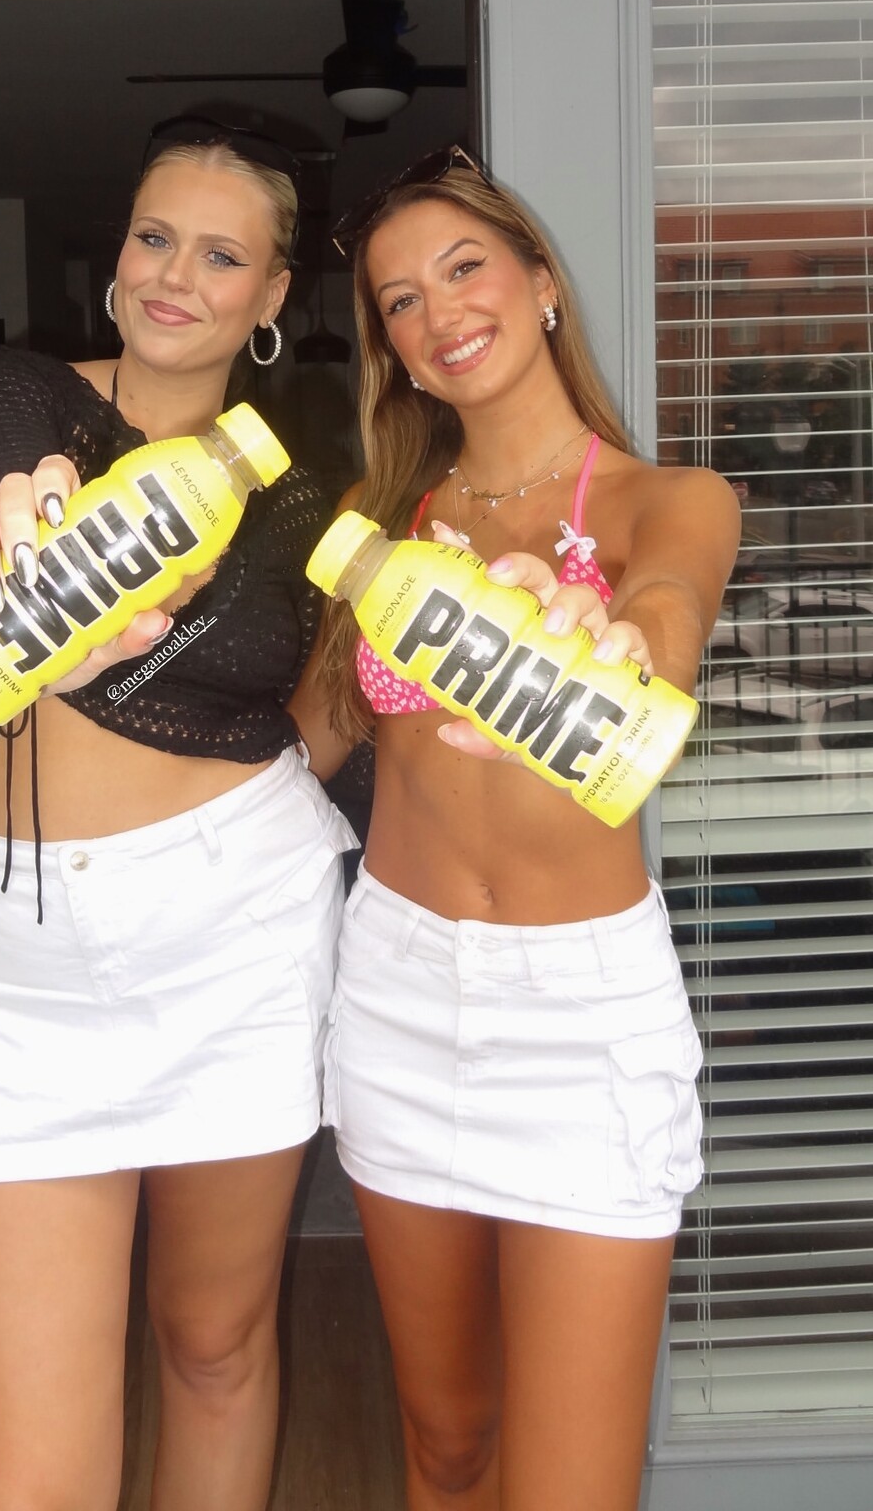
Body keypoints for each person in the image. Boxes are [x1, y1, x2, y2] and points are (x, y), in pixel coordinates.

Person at [0, 115, 356, 1511]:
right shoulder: (16, 393)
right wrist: (45, 580)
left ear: (272, 295)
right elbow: (12, 509)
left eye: (222, 255)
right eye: (156, 237)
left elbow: (326, 713)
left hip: (235, 922)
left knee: (212, 1344)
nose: (175, 276)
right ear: (117, 254)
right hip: (6, 964)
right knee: (23, 1469)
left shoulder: (303, 491)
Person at [289, 147, 741, 1511]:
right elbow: (304, 750)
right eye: (400, 301)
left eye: (464, 268)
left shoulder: (672, 500)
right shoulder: (381, 524)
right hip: (399, 990)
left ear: (542, 282)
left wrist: (616, 638)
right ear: (393, 351)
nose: (439, 313)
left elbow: (665, 618)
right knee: (448, 1449)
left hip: (583, 1020)